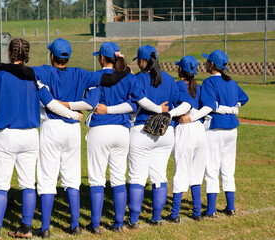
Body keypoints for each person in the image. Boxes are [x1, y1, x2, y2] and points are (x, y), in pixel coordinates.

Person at [0, 38, 131, 238]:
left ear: (52, 55)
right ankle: (74, 224)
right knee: (72, 178)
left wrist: (0, 66)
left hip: (51, 127)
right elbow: (109, 80)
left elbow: (23, 71)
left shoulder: (45, 71)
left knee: (47, 179)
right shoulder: (80, 73)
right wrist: (126, 71)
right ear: (68, 57)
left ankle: (46, 227)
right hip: (73, 129)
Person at [58, 42, 168, 234]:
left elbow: (89, 103)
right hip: (122, 131)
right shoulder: (129, 78)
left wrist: (66, 105)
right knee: (118, 179)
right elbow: (134, 105)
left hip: (100, 130)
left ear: (102, 58)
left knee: (97, 179)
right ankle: (118, 224)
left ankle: (95, 225)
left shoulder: (97, 77)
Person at [0, 38, 82, 240]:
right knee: (27, 184)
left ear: (10, 53)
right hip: (29, 136)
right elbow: (51, 104)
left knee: (1, 185)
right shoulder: (35, 78)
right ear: (26, 55)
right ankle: (25, 229)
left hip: (6, 134)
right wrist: (73, 115)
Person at [96, 45, 193, 227]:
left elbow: (137, 101)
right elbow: (187, 104)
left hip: (142, 130)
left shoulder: (138, 79)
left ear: (142, 61)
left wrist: (157, 110)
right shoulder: (170, 79)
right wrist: (170, 114)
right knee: (159, 176)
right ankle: (156, 218)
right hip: (166, 132)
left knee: (137, 177)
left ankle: (133, 220)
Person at [179, 49, 249, 218]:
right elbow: (244, 98)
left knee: (211, 168)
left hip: (215, 128)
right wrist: (232, 108)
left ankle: (211, 210)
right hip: (232, 129)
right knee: (228, 167)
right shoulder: (231, 82)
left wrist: (221, 109)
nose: (205, 63)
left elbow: (209, 105)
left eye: (207, 61)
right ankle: (230, 207)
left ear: (212, 65)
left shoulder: (210, 82)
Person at [164, 55, 207, 223]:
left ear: (180, 69)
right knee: (196, 171)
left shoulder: (176, 86)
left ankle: (174, 214)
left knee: (181, 170)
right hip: (200, 129)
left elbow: (179, 105)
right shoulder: (200, 87)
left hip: (185, 129)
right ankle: (197, 212)